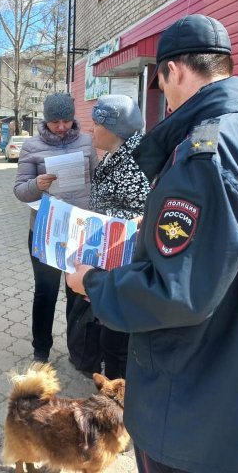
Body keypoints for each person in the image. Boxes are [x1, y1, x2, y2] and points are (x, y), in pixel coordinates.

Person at [67, 14, 238, 473]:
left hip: (192, 414)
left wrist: (96, 284)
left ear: (175, 70)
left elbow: (176, 292)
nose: (162, 96)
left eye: (159, 82)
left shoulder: (203, 154)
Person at [14, 93, 98, 362]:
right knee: (45, 292)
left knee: (78, 291)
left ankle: (79, 351)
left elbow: (96, 181)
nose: (61, 127)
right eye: (54, 121)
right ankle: (41, 350)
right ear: (45, 120)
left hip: (81, 229)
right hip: (46, 230)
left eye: (65, 120)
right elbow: (20, 191)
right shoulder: (31, 146)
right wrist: (36, 185)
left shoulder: (87, 142)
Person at [88, 94, 150, 379]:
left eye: (96, 123)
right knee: (109, 338)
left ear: (113, 128)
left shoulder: (139, 161)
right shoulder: (117, 153)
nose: (91, 129)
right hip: (111, 257)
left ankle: (118, 409)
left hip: (126, 264)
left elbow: (146, 214)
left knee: (117, 344)